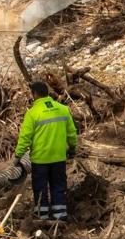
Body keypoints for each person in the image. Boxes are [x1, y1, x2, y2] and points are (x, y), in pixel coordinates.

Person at [15, 80, 78, 222]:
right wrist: (73, 147)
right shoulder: (62, 109)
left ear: (35, 94)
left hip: (40, 160)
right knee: (59, 186)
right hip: (59, 158)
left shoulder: (32, 113)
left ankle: (42, 217)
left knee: (40, 188)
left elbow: (25, 137)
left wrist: (18, 155)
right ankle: (60, 216)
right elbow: (72, 133)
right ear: (47, 93)